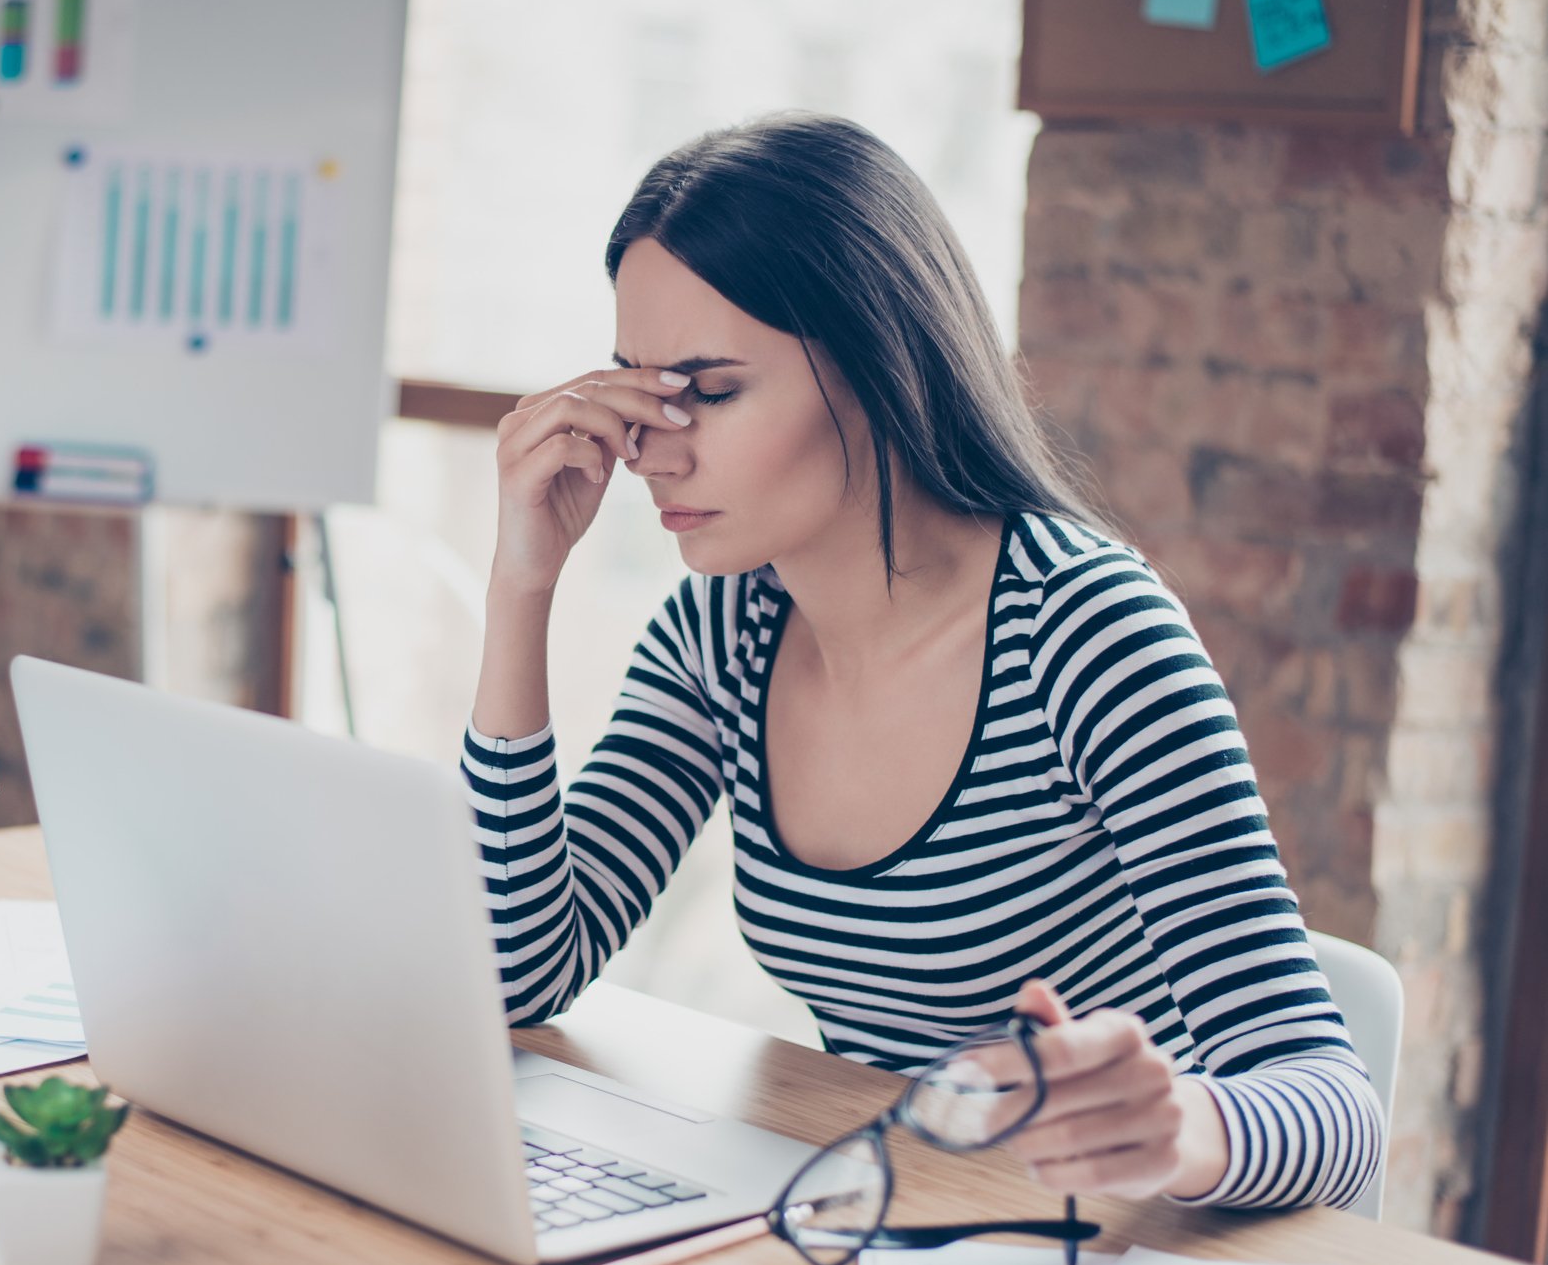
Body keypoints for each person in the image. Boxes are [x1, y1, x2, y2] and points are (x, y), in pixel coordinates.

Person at [462, 112, 1379, 1210]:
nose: (652, 446)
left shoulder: (1084, 635)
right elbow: (517, 972)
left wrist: (1181, 1124)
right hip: (902, 1225)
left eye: (708, 390)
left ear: (876, 362)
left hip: (1129, 1246)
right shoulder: (723, 632)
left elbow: (1335, 1103)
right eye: (638, 390)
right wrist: (522, 584)